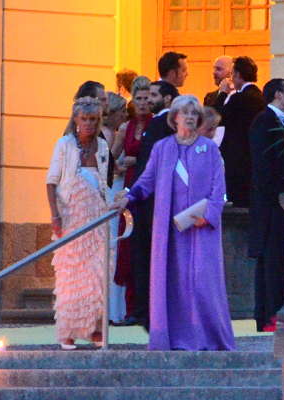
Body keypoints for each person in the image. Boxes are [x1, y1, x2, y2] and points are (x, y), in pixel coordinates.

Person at [112, 95, 236, 351]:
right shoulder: (162, 148)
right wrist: (128, 195)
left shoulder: (210, 148)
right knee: (175, 283)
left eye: (194, 113)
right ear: (174, 118)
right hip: (170, 229)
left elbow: (218, 188)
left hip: (201, 226)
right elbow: (146, 181)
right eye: (184, 112)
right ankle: (175, 338)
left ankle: (208, 337)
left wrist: (208, 215)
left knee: (202, 282)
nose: (189, 117)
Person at [46, 97, 110, 350]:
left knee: (97, 274)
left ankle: (94, 328)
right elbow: (51, 181)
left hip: (97, 216)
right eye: (84, 119)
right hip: (71, 216)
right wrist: (55, 215)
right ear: (75, 120)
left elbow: (104, 181)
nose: (89, 125)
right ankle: (68, 331)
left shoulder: (102, 147)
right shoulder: (64, 145)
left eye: (93, 120)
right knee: (72, 274)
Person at [126, 80, 179, 328]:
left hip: (152, 203)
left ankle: (146, 311)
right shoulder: (157, 122)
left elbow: (152, 165)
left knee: (147, 256)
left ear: (168, 99)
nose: (149, 99)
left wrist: (134, 192)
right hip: (148, 198)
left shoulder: (161, 123)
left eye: (155, 95)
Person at [248, 79, 284, 332]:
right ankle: (268, 316)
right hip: (270, 202)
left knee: (277, 258)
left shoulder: (281, 121)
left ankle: (275, 312)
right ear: (278, 94)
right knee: (270, 258)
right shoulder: (264, 121)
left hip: (280, 201)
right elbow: (264, 163)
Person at [111, 76, 153, 323]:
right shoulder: (126, 128)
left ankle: (144, 308)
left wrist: (136, 161)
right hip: (128, 188)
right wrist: (118, 165)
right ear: (133, 100)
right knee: (127, 246)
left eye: (147, 98)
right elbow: (112, 157)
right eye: (138, 98)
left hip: (146, 189)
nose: (143, 103)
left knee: (143, 246)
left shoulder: (157, 125)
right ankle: (129, 309)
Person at [214, 56, 266, 207]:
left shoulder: (239, 98)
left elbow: (216, 117)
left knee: (238, 203)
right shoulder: (260, 97)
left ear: (237, 74)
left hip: (237, 161)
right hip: (254, 158)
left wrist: (222, 93)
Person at [102, 92, 129, 324]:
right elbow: (110, 165)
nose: (124, 115)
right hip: (114, 189)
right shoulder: (110, 134)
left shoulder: (112, 133)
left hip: (115, 189)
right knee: (114, 246)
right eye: (122, 111)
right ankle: (113, 309)